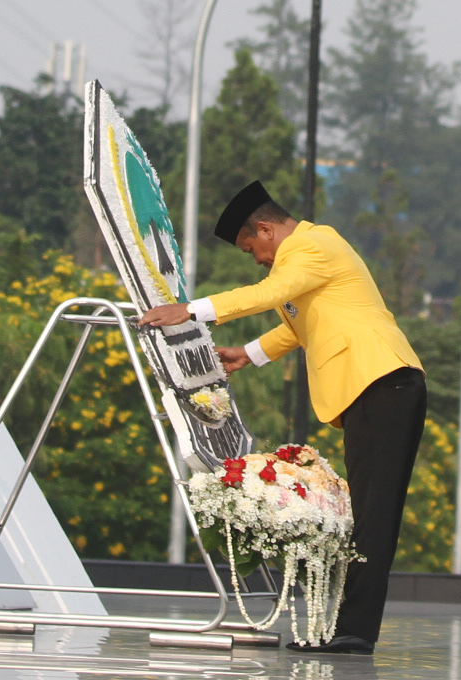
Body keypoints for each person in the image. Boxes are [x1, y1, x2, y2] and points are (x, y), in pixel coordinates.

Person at [135, 180, 426, 655]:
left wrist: (187, 310)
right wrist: (249, 354)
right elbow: (300, 321)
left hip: (383, 383)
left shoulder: (312, 245)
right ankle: (352, 628)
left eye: (253, 248)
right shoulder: (308, 256)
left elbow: (272, 293)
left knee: (374, 515)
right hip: (374, 388)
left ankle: (355, 631)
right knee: (367, 514)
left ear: (267, 230)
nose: (257, 258)